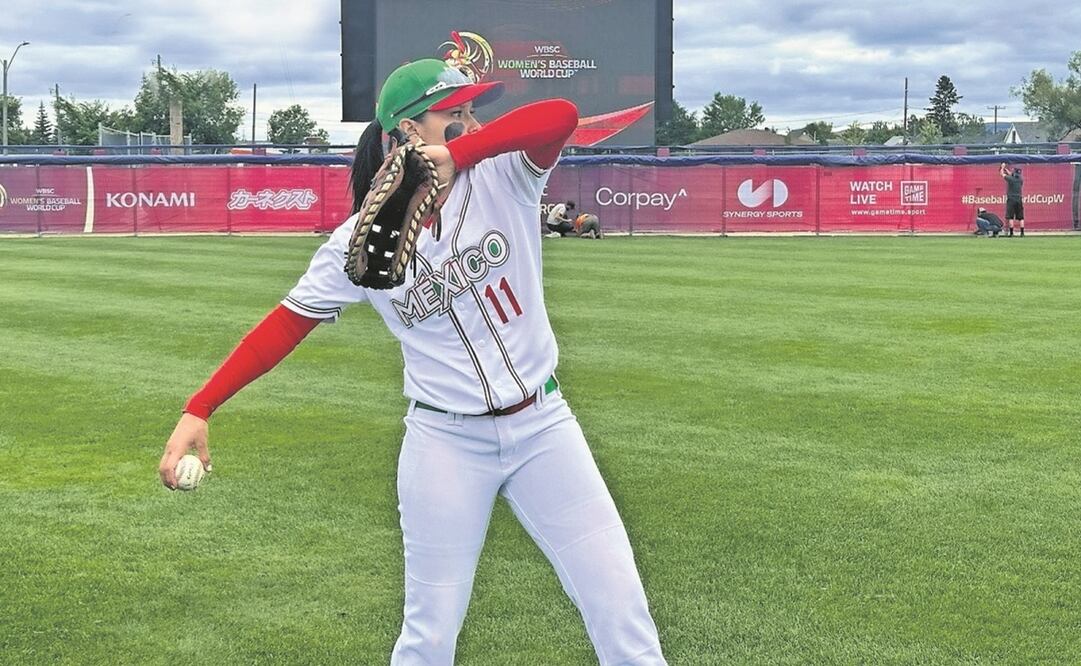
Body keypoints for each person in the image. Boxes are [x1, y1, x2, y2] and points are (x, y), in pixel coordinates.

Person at [158, 59, 666, 666]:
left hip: (544, 427)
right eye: (453, 113)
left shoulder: (505, 176)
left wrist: (462, 150)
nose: (470, 120)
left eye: (471, 110)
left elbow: (559, 117)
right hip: (444, 444)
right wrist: (201, 406)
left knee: (622, 613)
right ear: (406, 133)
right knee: (428, 637)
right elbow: (286, 324)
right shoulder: (358, 240)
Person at [1000, 162, 1025, 237]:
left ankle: (1011, 233)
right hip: (1019, 199)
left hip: (1011, 199)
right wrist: (1006, 169)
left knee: (1010, 217)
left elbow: (1002, 174)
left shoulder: (1011, 179)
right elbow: (1011, 174)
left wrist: (1002, 167)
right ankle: (1022, 233)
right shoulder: (1020, 179)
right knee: (1021, 217)